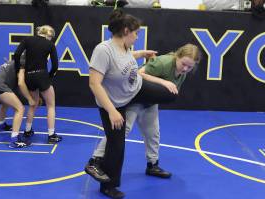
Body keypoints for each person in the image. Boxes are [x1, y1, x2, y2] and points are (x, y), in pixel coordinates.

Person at [85, 9, 180, 199]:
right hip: (114, 103)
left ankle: (138, 108)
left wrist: (141, 54)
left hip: (136, 89)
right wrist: (112, 111)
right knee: (117, 146)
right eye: (136, 33)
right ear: (126, 30)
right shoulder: (103, 50)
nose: (137, 37)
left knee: (170, 94)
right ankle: (105, 182)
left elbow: (124, 60)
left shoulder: (125, 46)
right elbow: (94, 83)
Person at [86, 44, 201, 181]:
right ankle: (95, 160)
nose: (185, 69)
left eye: (190, 67)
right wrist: (163, 82)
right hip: (135, 97)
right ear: (178, 56)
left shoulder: (183, 73)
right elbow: (139, 74)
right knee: (121, 130)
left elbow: (168, 91)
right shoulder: (163, 62)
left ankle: (152, 165)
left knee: (153, 132)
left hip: (150, 102)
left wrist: (164, 87)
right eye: (184, 64)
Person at [14, 25, 62, 144]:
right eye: (52, 37)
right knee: (51, 106)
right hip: (42, 76)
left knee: (32, 104)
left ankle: (27, 131)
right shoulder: (49, 44)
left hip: (29, 76)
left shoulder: (27, 40)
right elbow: (55, 65)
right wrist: (49, 77)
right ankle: (51, 135)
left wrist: (17, 69)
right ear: (49, 35)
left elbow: (16, 55)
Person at [0, 53, 35, 148]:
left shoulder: (13, 63)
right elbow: (21, 84)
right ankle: (14, 140)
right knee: (20, 108)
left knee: (5, 102)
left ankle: (1, 124)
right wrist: (30, 99)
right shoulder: (22, 66)